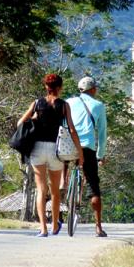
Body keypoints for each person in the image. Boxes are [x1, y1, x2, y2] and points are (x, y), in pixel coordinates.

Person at [18, 74, 83, 237]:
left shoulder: (37, 103)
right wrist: (79, 152)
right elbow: (72, 130)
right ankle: (54, 225)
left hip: (38, 149)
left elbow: (20, 123)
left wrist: (34, 119)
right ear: (60, 88)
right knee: (54, 190)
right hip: (56, 150)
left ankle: (43, 229)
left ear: (46, 87)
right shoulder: (64, 105)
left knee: (41, 189)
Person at [67, 76, 108, 237]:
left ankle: (63, 184)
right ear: (93, 90)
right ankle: (98, 227)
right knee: (94, 187)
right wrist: (100, 155)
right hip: (87, 148)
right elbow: (102, 133)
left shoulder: (69, 102)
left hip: (68, 145)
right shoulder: (98, 105)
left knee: (61, 167)